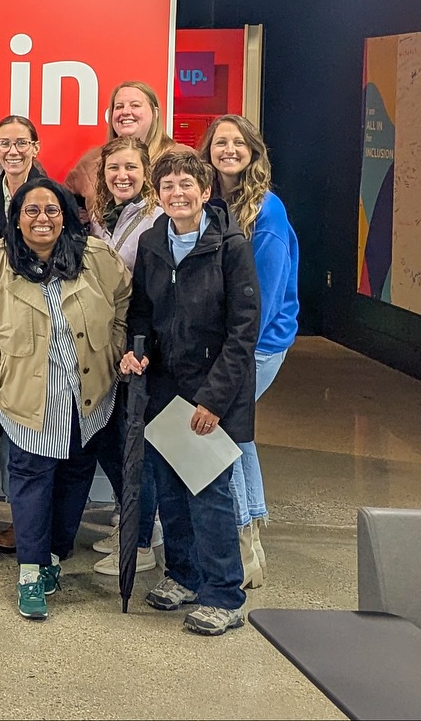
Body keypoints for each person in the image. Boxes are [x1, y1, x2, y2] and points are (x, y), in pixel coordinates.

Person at [0, 178, 130, 621]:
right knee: (31, 481)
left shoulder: (96, 258)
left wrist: (113, 351)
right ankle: (29, 572)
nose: (42, 219)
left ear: (65, 216)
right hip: (26, 396)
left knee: (75, 478)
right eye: (31, 211)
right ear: (16, 218)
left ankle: (52, 557)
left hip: (88, 395)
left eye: (52, 210)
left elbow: (125, 301)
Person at [123, 150, 261, 636]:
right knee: (170, 490)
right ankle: (184, 574)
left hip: (211, 391)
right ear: (157, 195)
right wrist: (136, 350)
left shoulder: (231, 246)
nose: (177, 193)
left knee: (209, 493)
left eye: (187, 185)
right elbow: (141, 311)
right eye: (168, 186)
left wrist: (214, 400)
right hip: (164, 388)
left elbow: (244, 330)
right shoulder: (153, 240)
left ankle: (224, 595)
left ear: (205, 192)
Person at [200, 114, 299, 588]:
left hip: (254, 346)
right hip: (225, 344)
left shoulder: (267, 210)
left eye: (238, 142)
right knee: (237, 437)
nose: (229, 150)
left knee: (220, 433)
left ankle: (239, 548)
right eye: (220, 142)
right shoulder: (210, 202)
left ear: (253, 151)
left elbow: (266, 296)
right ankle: (250, 546)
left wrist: (233, 356)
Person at [87, 136, 167, 577]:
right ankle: (132, 523)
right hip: (105, 343)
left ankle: (139, 542)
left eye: (131, 167)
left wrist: (139, 344)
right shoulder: (101, 217)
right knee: (107, 440)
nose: (122, 175)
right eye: (114, 167)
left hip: (139, 344)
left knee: (135, 446)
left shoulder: (156, 217)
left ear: (146, 171)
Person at [66, 81, 185, 216]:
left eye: (135, 105)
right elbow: (66, 205)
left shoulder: (182, 158)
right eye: (119, 106)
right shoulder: (92, 161)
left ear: (155, 113)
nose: (126, 111)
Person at [0, 115, 47, 241]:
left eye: (22, 143)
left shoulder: (55, 194)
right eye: (4, 143)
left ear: (35, 148)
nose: (13, 151)